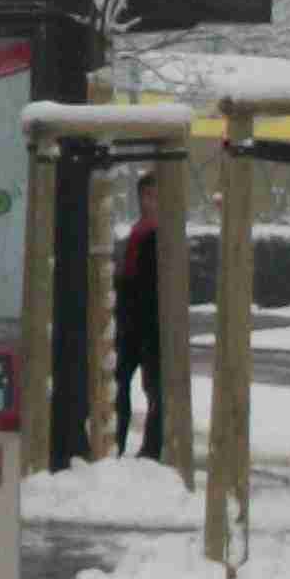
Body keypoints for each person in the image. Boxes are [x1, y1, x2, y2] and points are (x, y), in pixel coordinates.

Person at [113, 174, 165, 463]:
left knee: (154, 388)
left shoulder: (158, 236)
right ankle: (120, 442)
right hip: (134, 323)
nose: (150, 203)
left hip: (150, 324)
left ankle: (150, 449)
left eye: (155, 196)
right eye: (147, 196)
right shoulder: (139, 232)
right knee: (121, 384)